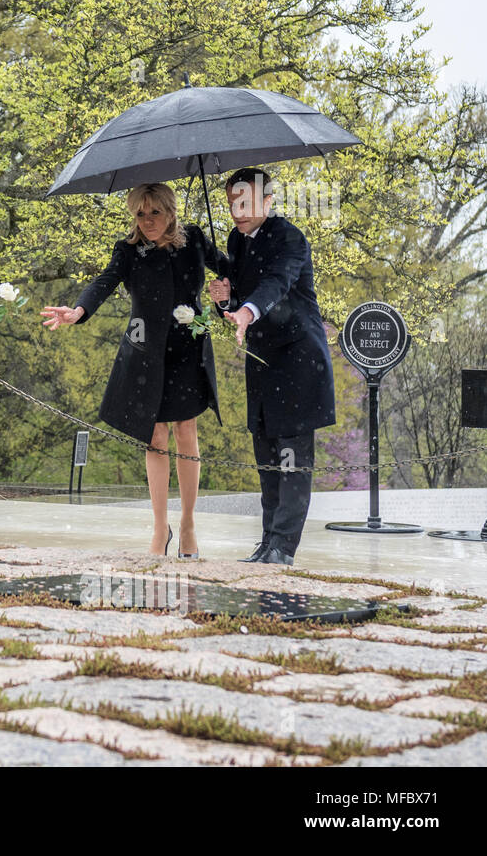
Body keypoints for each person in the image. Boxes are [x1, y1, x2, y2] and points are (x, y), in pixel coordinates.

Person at [42, 182, 222, 558]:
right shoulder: (128, 251)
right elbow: (105, 281)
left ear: (170, 211)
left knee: (186, 431)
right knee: (154, 437)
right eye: (140, 214)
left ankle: (188, 523)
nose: (148, 221)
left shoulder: (195, 241)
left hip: (188, 350)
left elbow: (230, 273)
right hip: (146, 354)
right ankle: (161, 528)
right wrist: (79, 310)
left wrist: (228, 292)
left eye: (154, 212)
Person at [208, 167, 336, 565]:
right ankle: (267, 542)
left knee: (293, 460)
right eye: (232, 203)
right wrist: (225, 301)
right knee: (266, 455)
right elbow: (239, 295)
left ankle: (283, 547)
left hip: (298, 360)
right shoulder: (236, 240)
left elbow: (276, 283)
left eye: (246, 202)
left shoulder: (290, 238)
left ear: (267, 201)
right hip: (261, 361)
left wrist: (246, 310)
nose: (238, 211)